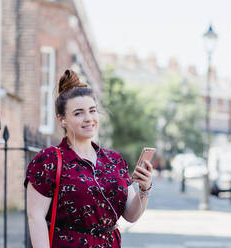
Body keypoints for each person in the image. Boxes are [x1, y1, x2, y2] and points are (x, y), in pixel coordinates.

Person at [24, 69, 153, 248]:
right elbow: (35, 218)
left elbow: (131, 215)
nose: (88, 118)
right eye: (78, 113)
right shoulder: (49, 160)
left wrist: (144, 189)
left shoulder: (114, 161)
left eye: (92, 111)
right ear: (62, 120)